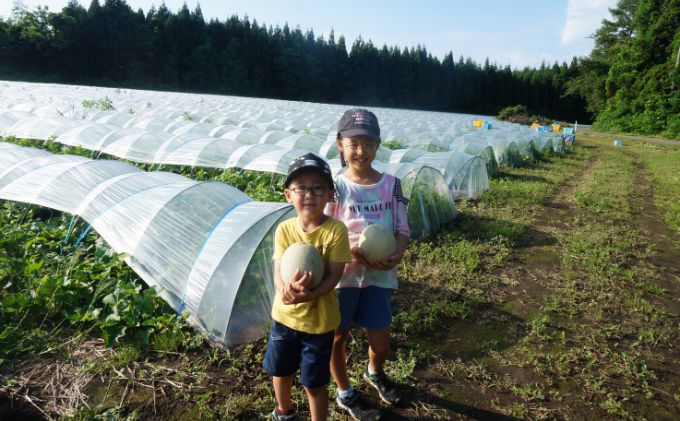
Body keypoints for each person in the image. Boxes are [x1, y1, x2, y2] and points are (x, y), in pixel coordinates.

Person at [325, 109, 410, 420]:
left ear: (378, 146)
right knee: (338, 336)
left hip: (380, 275)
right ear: (340, 144)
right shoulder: (334, 186)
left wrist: (397, 253)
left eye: (369, 144)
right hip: (343, 276)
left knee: (382, 342)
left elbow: (402, 228)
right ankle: (345, 393)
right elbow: (324, 229)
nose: (361, 151)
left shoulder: (392, 184)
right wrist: (349, 249)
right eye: (354, 143)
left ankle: (374, 371)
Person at [264, 153, 352, 421]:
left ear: (329, 195)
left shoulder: (336, 231)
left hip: (319, 325)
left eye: (317, 188)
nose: (309, 194)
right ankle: (284, 411)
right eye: (301, 188)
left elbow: (333, 277)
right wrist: (284, 291)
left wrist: (309, 295)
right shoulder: (284, 229)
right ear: (288, 195)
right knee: (280, 371)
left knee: (314, 382)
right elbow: (279, 269)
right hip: (284, 318)